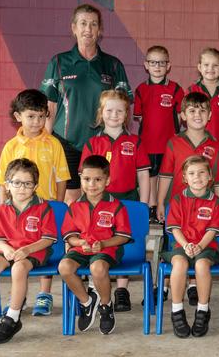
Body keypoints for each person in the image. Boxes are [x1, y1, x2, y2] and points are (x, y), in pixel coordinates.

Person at [40, 3, 131, 203]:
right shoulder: (58, 62)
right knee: (70, 199)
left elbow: (124, 106)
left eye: (93, 24)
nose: (88, 29)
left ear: (100, 30)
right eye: (83, 24)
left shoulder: (113, 65)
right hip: (66, 143)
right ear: (74, 28)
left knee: (100, 198)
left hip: (102, 142)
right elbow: (50, 106)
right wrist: (46, 143)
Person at [0, 89, 70, 317]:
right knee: (18, 254)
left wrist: (57, 207)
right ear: (18, 116)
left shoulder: (54, 144)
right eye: (31, 116)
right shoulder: (10, 146)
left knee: (43, 251)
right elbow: (2, 182)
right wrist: (5, 208)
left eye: (41, 116)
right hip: (17, 213)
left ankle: (44, 295)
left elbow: (62, 177)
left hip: (44, 211)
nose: (36, 122)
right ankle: (19, 297)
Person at [80, 89, 151, 312]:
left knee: (124, 242)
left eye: (120, 110)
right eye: (109, 110)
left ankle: (121, 289)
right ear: (101, 113)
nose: (114, 114)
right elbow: (84, 176)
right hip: (98, 203)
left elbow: (143, 175)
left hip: (127, 200)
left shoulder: (135, 141)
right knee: (98, 241)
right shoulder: (93, 142)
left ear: (127, 114)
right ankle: (94, 285)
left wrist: (144, 204)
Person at [0, 159, 57, 344]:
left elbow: (48, 239)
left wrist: (27, 249)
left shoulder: (43, 208)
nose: (21, 188)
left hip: (34, 250)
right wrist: (6, 248)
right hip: (8, 250)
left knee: (19, 268)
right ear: (7, 185)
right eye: (16, 182)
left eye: (27, 183)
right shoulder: (1, 209)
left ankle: (13, 318)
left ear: (35, 186)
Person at [58, 155, 132, 335]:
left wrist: (104, 243)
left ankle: (106, 306)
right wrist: (79, 242)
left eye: (98, 179)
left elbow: (123, 236)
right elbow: (69, 235)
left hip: (108, 249)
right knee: (64, 267)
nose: (92, 184)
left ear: (107, 180)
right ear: (81, 179)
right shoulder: (74, 206)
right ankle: (87, 303)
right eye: (87, 179)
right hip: (81, 249)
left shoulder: (116, 205)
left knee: (97, 268)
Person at [163, 155, 219, 338]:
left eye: (201, 173)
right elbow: (174, 229)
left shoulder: (215, 202)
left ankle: (203, 310)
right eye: (191, 173)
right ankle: (177, 311)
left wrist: (199, 246)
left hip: (206, 246)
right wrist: (186, 245)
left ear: (209, 176)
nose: (197, 177)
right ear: (184, 178)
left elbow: (212, 231)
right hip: (181, 244)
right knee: (180, 264)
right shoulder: (177, 200)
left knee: (201, 265)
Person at [133, 45, 184, 224]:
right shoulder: (141, 89)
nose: (157, 66)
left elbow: (179, 117)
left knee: (167, 175)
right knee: (151, 175)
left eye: (161, 63)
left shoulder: (176, 89)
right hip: (148, 143)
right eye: (153, 62)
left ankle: (166, 207)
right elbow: (139, 118)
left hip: (169, 143)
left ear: (168, 65)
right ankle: (152, 207)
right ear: (146, 65)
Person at [157, 92, 219, 219]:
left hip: (204, 209)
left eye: (203, 111)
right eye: (192, 111)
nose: (197, 115)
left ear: (209, 115)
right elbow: (165, 176)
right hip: (176, 207)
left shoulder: (216, 147)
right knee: (174, 239)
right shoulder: (174, 143)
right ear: (183, 115)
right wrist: (160, 203)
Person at [186, 47, 219, 149]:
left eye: (215, 65)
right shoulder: (191, 90)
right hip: (197, 144)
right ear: (199, 67)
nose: (210, 69)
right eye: (206, 65)